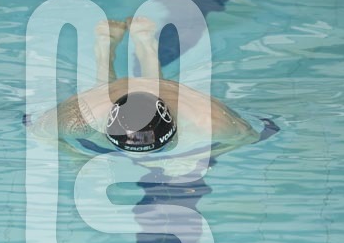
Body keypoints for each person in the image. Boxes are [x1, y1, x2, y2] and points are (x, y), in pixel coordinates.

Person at [27, 16, 278, 159]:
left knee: (124, 87)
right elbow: (38, 131)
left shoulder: (208, 120)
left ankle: (127, 43)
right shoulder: (80, 116)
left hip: (173, 96)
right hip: (109, 99)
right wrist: (78, 157)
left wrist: (198, 156)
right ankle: (115, 47)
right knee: (103, 90)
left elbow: (248, 137)